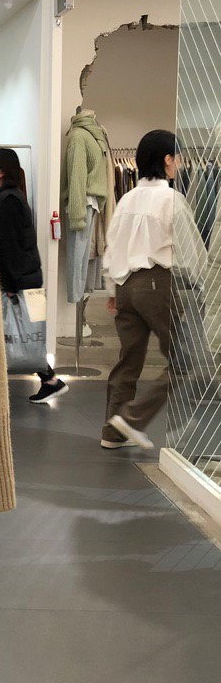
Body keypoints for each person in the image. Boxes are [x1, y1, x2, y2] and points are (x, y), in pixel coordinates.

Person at [101, 129, 206, 450]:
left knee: (128, 361)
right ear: (167, 159)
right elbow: (190, 254)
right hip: (158, 284)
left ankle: (112, 432)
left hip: (125, 286)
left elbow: (112, 245)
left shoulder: (127, 199)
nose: (180, 164)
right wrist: (202, 286)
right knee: (188, 362)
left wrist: (112, 289)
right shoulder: (171, 200)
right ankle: (132, 419)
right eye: (178, 157)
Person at [0, 148, 68, 403]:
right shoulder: (9, 196)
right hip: (26, 278)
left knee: (18, 334)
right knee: (25, 335)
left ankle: (44, 381)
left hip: (18, 281)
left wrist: (10, 285)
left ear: (1, 169)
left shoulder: (8, 200)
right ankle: (50, 380)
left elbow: (9, 247)